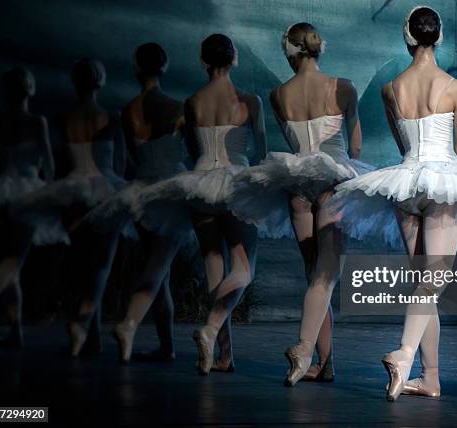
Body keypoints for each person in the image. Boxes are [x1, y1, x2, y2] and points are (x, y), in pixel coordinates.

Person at [332, 6, 457, 400]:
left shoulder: (391, 89)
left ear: (408, 38)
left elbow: (404, 144)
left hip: (407, 182)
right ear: (437, 38)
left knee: (425, 283)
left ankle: (431, 377)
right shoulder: (456, 87)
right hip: (442, 181)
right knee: (433, 281)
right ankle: (405, 355)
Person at [229, 23, 373, 386]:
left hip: (296, 186)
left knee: (315, 276)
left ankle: (325, 364)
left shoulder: (279, 94)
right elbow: (355, 149)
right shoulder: (342, 87)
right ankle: (305, 348)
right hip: (332, 182)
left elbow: (297, 146)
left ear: (290, 51)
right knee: (326, 276)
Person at [135, 34, 266, 374]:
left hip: (201, 183)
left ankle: (221, 355)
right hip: (236, 181)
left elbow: (194, 151)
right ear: (234, 57)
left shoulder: (193, 102)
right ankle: (209, 330)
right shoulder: (248, 100)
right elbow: (262, 152)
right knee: (243, 269)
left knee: (213, 267)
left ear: (204, 61)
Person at [91, 42, 192, 364]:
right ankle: (129, 324)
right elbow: (189, 149)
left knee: (158, 273)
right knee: (158, 268)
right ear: (163, 68)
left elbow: (133, 159)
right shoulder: (177, 107)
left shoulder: (128, 111)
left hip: (141, 192)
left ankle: (166, 347)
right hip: (171, 190)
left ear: (138, 69)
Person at [0, 67, 56, 348]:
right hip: (27, 191)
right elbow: (48, 164)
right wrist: (51, 194)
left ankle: (15, 331)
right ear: (30, 89)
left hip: (0, 192)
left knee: (11, 264)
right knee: (12, 262)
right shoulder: (37, 122)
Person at [61, 58, 131, 357]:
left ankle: (89, 337)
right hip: (106, 191)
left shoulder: (64, 118)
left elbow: (62, 161)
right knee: (101, 268)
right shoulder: (111, 118)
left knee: (80, 268)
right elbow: (121, 163)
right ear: (100, 82)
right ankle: (84, 325)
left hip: (74, 191)